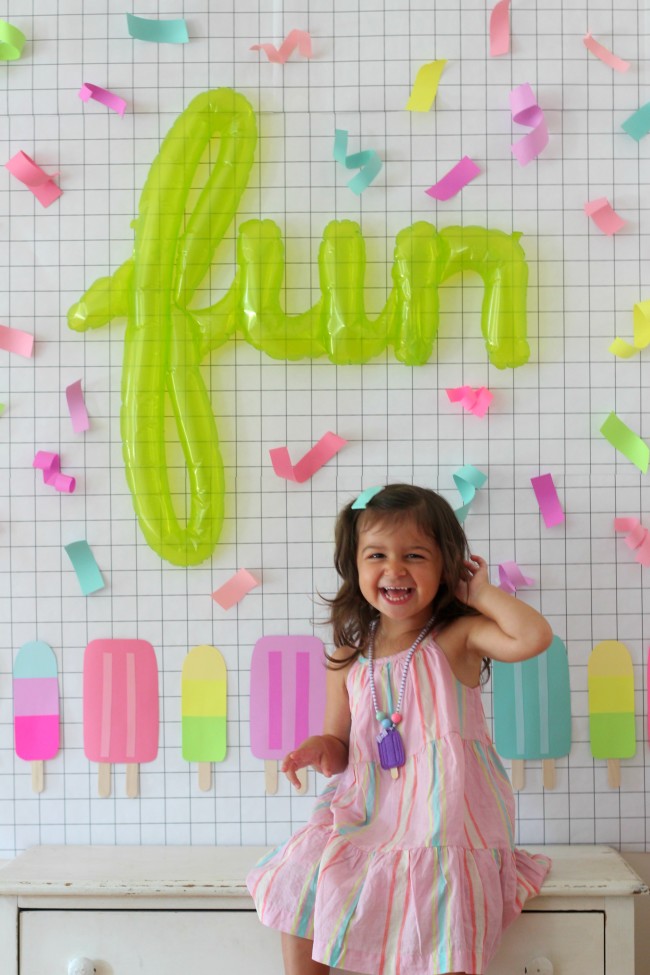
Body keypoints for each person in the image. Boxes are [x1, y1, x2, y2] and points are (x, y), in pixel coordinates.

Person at [247, 484, 553, 975]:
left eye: (415, 555)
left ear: (446, 566)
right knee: (300, 871)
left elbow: (533, 637)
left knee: (440, 897)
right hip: (370, 807)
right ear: (355, 566)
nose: (395, 568)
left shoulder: (458, 637)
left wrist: (481, 593)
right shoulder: (348, 655)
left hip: (444, 812)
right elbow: (340, 748)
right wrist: (317, 749)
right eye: (377, 555)